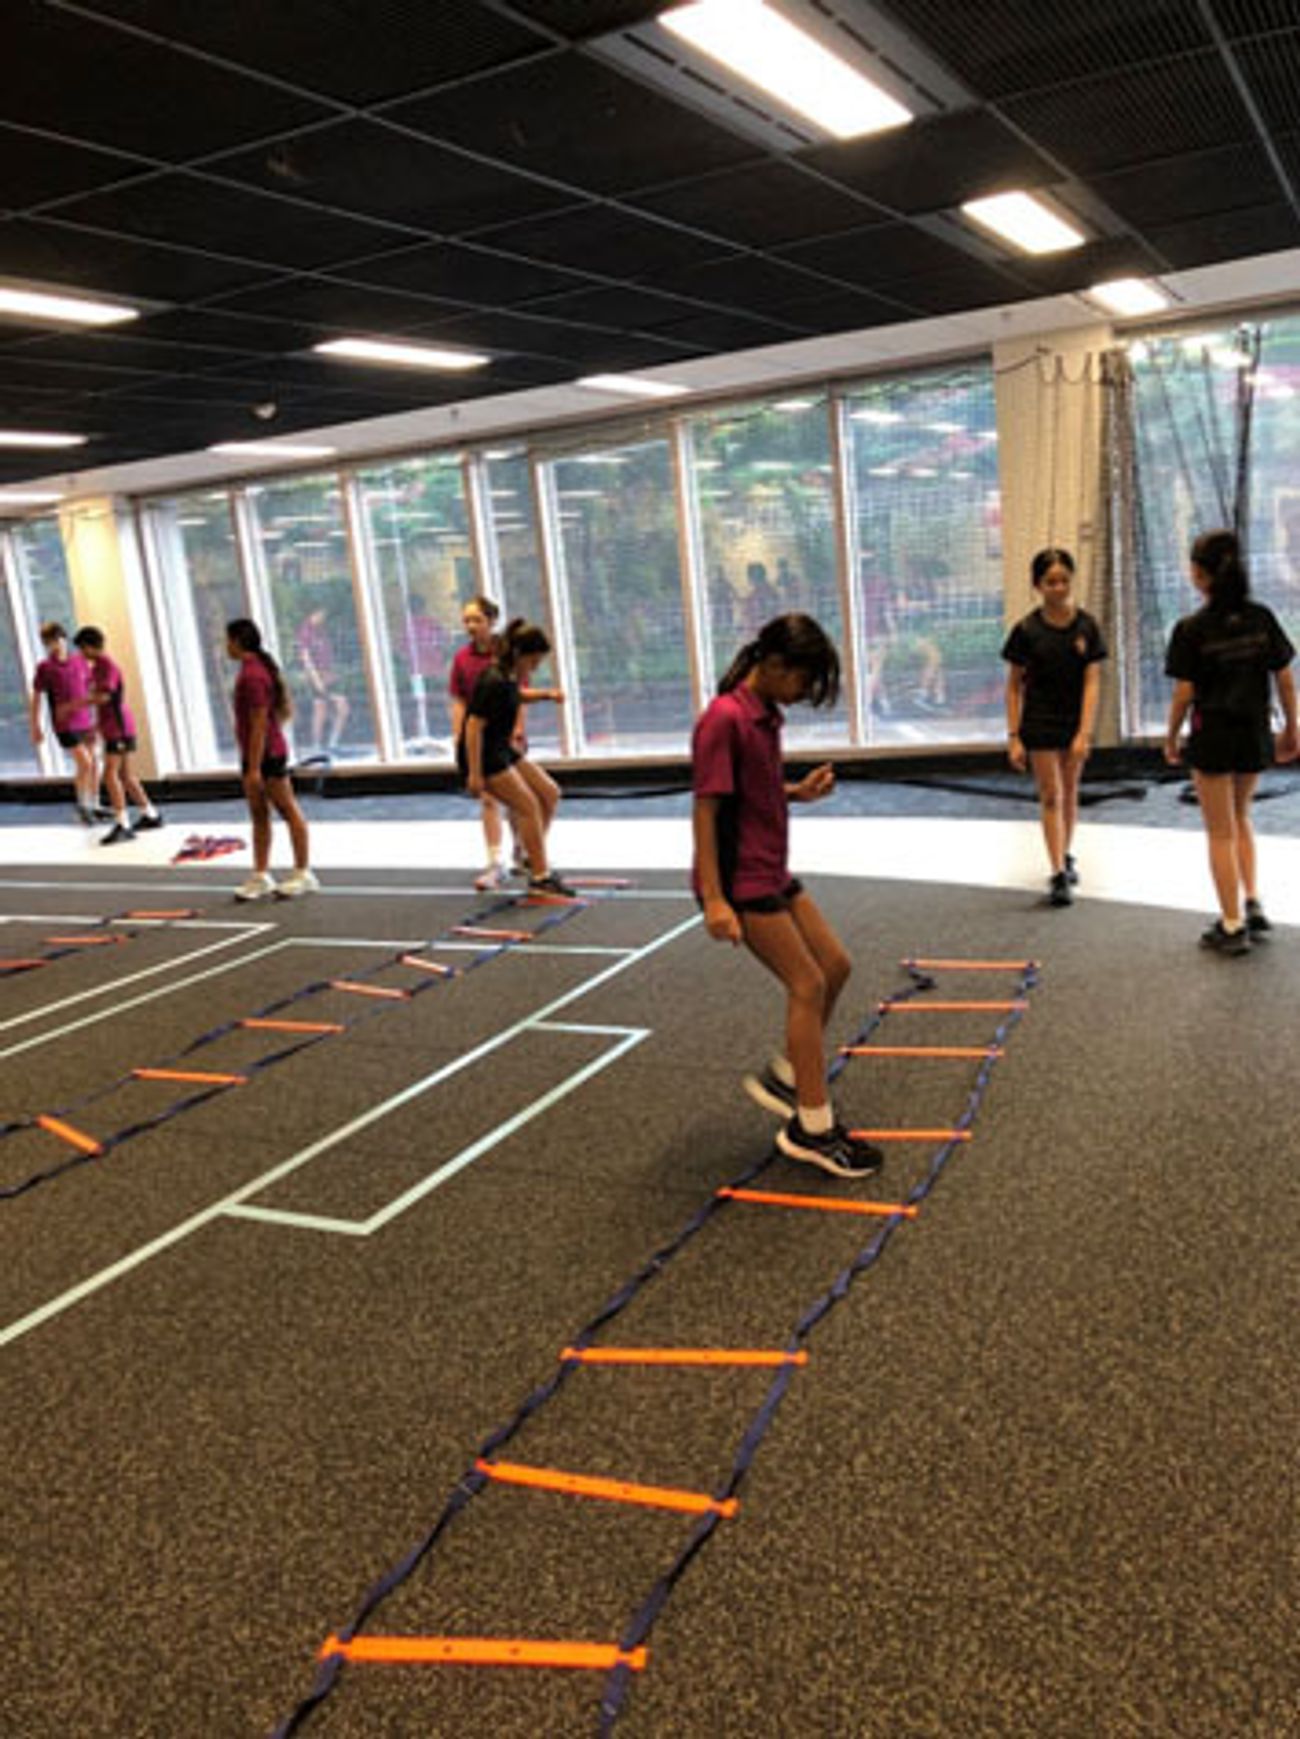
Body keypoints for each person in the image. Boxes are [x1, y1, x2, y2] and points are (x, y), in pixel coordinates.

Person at [692, 613, 882, 1181]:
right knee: (807, 984)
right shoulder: (724, 718)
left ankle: (787, 1076)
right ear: (774, 665)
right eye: (803, 679)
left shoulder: (764, 714)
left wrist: (796, 792)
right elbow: (707, 809)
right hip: (740, 880)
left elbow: (751, 789)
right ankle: (812, 1129)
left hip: (771, 868)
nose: (803, 693)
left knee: (835, 965)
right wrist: (715, 899)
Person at [1164, 528, 1297, 954]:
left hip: (1214, 737)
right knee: (1241, 817)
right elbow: (1285, 679)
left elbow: (1184, 693)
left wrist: (1171, 736)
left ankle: (1232, 924)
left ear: (1200, 575)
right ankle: (1251, 902)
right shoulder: (1261, 618)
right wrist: (1292, 728)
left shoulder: (1192, 629)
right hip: (1254, 732)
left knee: (1220, 832)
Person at [1002, 547, 1107, 907]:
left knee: (1070, 790)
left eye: (1064, 580)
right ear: (1037, 585)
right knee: (1051, 794)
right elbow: (1013, 686)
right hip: (1039, 722)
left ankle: (1065, 851)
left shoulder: (1087, 627)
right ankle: (1058, 872)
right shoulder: (1026, 631)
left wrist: (1084, 732)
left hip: (1073, 721)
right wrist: (1014, 736)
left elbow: (1092, 681)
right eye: (1051, 582)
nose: (1059, 588)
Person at [458, 618, 573, 900]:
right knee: (528, 805)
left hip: (501, 747)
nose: (535, 667)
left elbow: (516, 696)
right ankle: (540, 878)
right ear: (520, 654)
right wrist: (474, 774)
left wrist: (546, 694)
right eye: (533, 661)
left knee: (549, 792)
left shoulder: (508, 676)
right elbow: (473, 726)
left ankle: (529, 857)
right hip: (484, 754)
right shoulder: (492, 679)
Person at [226, 618, 317, 901]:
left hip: (267, 755)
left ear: (237, 641)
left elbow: (259, 723)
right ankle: (261, 875)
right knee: (259, 816)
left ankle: (303, 872)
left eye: (227, 640)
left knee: (288, 810)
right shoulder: (250, 670)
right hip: (254, 754)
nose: (225, 646)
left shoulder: (253, 676)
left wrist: (254, 768)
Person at [72, 627, 164, 845]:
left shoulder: (107, 666)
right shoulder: (98, 667)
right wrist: (95, 726)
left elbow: (105, 697)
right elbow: (103, 701)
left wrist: (76, 704)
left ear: (89, 646)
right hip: (113, 726)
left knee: (110, 775)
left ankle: (123, 825)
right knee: (126, 775)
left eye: (82, 649)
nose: (81, 654)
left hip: (119, 727)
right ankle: (151, 815)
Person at [29, 621, 102, 824]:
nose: (56, 644)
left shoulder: (80, 661)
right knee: (85, 763)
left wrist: (98, 718)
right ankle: (82, 806)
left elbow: (91, 689)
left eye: (58, 639)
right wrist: (35, 725)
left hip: (86, 720)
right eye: (50, 642)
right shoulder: (45, 668)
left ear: (64, 638)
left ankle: (95, 805)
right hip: (65, 725)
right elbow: (36, 698)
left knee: (95, 762)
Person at [296, 606, 349, 756]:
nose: (323, 617)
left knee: (339, 708)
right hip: (317, 677)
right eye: (321, 613)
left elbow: (327, 654)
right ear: (313, 612)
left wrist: (333, 672)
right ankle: (317, 745)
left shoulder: (321, 630)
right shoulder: (305, 632)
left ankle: (332, 742)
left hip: (328, 675)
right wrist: (316, 679)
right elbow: (306, 658)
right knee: (322, 709)